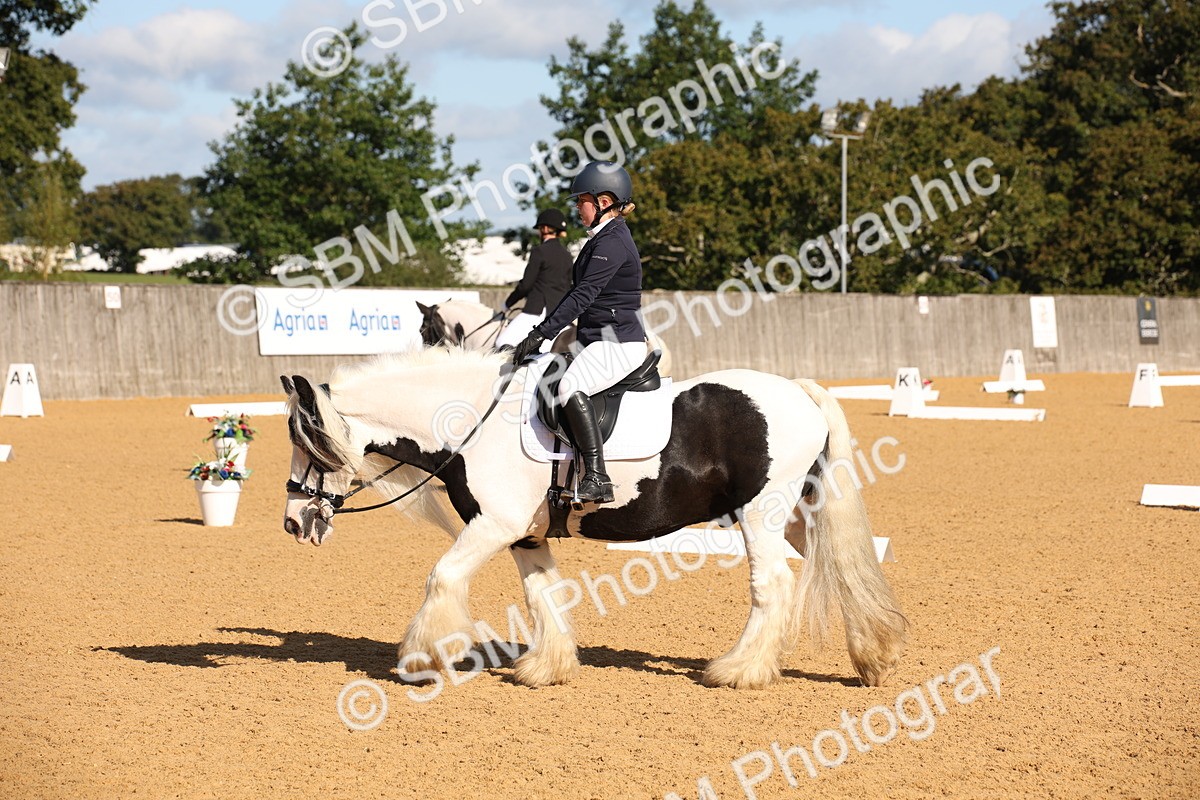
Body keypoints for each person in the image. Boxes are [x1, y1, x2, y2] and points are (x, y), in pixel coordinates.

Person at [511, 161, 648, 504]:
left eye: (581, 200)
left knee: (571, 386)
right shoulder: (600, 238)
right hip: (596, 339)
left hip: (617, 342)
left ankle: (598, 477)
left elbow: (583, 295)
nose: (576, 207)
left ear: (603, 202)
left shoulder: (612, 242)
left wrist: (540, 332)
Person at [493, 208, 572, 351]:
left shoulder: (539, 251)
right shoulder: (567, 255)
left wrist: (508, 303)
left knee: (502, 342)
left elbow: (526, 285)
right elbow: (568, 286)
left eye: (540, 229)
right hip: (559, 314)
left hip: (538, 310)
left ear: (545, 228)